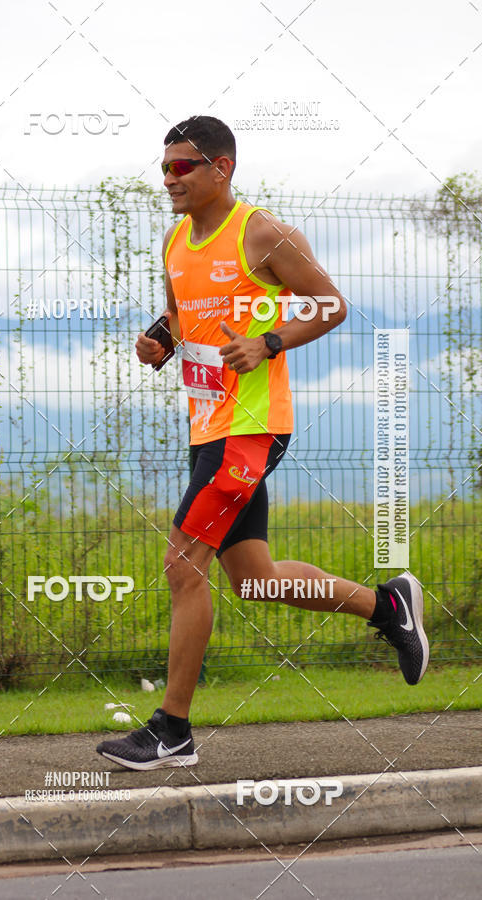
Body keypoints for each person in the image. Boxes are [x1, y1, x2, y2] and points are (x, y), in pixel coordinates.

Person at [96, 115, 428, 771]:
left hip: (250, 429)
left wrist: (268, 342)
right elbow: (183, 315)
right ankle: (386, 605)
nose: (170, 180)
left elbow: (329, 303)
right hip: (207, 428)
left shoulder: (262, 233)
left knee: (183, 565)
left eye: (182, 167)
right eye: (164, 169)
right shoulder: (175, 241)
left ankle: (171, 730)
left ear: (221, 167)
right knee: (254, 580)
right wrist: (158, 341)